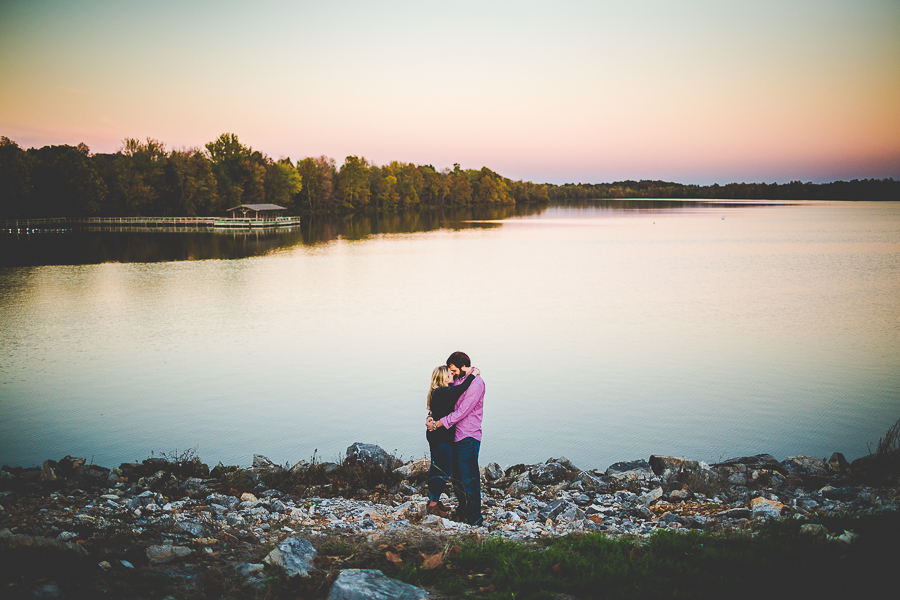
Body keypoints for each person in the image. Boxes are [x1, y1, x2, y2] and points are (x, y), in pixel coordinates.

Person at [427, 351, 485, 526]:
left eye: (453, 370)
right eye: (450, 371)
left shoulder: (476, 384)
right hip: (453, 436)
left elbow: (461, 412)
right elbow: (443, 402)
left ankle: (475, 518)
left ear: (462, 366)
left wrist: (437, 424)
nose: (452, 374)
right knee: (457, 479)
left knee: (470, 480)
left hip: (468, 436)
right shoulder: (458, 380)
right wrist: (431, 415)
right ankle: (463, 510)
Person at [424, 365, 476, 517]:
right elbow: (461, 389)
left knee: (436, 468)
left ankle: (434, 500)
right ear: (444, 378)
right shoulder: (443, 392)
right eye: (450, 373)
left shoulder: (436, 392)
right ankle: (433, 505)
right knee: (443, 470)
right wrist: (473, 374)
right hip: (441, 437)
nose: (452, 375)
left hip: (436, 436)